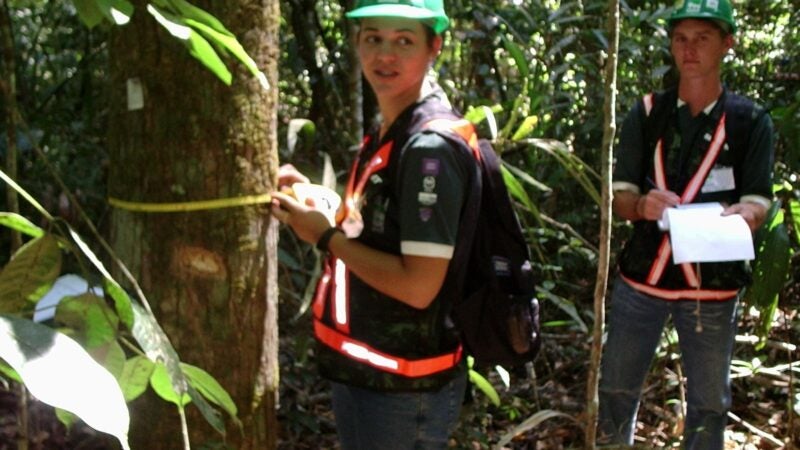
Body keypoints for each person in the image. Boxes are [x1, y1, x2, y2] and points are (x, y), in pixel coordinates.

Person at [271, 1, 478, 448]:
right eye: (373, 39)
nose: (386, 55)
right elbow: (377, 228)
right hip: (368, 371)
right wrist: (313, 199)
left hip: (403, 390)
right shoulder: (393, 128)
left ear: (434, 46)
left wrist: (324, 237)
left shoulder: (429, 150)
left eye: (404, 41)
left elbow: (419, 286)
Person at [598, 1, 775, 448]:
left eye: (703, 38)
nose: (689, 49)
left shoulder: (749, 120)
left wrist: (747, 216)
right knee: (617, 391)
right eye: (681, 38)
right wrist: (641, 206)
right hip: (643, 280)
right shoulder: (648, 111)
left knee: (709, 404)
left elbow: (759, 201)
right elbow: (619, 198)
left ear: (727, 44)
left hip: (710, 290)